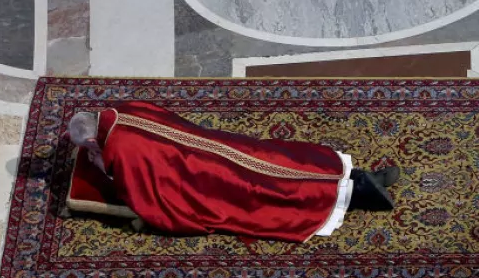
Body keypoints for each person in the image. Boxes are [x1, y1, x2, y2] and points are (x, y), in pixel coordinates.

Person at [66, 101, 398, 243]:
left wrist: (105, 170)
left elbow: (144, 194)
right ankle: (356, 177)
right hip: (209, 144)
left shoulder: (121, 152)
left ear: (94, 138)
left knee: (260, 191)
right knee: (271, 158)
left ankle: (359, 194)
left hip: (198, 176)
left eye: (91, 148)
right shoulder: (121, 110)